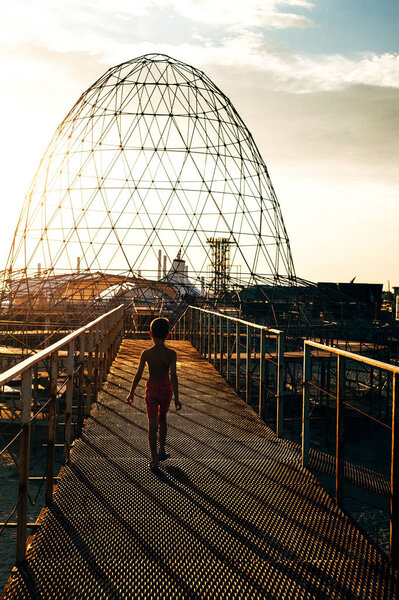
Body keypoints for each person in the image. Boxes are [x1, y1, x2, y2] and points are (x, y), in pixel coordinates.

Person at [127, 317, 181, 472]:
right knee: (162, 418)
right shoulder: (171, 354)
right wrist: (177, 398)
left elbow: (138, 375)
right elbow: (174, 376)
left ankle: (154, 459)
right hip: (166, 389)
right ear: (168, 335)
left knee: (152, 424)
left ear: (150, 334)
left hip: (151, 390)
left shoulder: (146, 354)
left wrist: (131, 392)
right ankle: (162, 449)